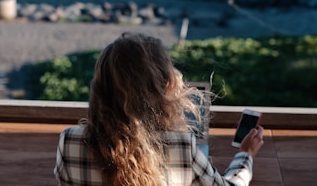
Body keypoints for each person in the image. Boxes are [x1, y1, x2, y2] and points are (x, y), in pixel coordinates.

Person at [54, 32, 264, 186]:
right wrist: (245, 155)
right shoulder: (181, 147)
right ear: (163, 88)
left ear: (100, 87)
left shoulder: (70, 142)